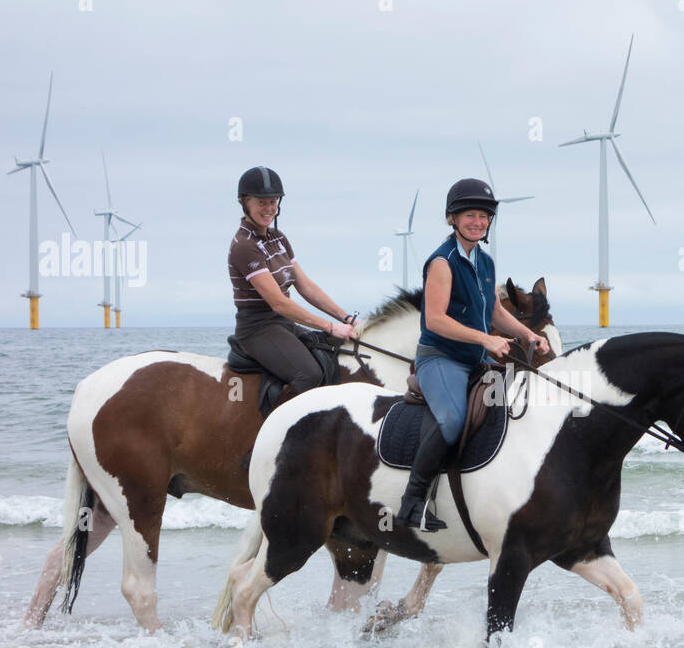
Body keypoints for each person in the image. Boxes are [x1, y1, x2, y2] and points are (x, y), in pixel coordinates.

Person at [395, 178, 551, 531]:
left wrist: (528, 334)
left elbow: (494, 310)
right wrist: (485, 340)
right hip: (439, 357)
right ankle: (413, 502)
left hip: (472, 360)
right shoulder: (442, 262)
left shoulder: (485, 261)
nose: (478, 222)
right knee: (451, 419)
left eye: (484, 216)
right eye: (470, 215)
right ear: (452, 218)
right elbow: (434, 320)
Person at [228, 166, 358, 394]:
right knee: (309, 374)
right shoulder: (245, 246)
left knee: (337, 353)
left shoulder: (278, 239)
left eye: (273, 202)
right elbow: (278, 303)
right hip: (257, 329)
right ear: (245, 203)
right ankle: (277, 429)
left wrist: (345, 318)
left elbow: (305, 286)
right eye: (261, 202)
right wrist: (329, 326)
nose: (269, 209)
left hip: (283, 324)